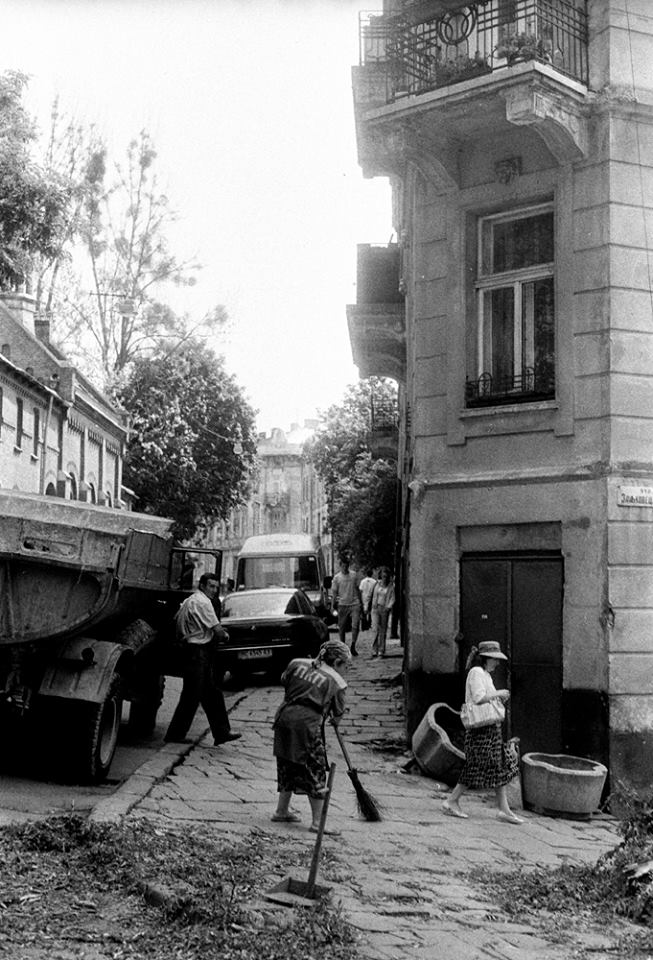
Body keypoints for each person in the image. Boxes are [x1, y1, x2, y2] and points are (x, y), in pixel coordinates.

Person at [271, 639, 351, 832]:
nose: (346, 670)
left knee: (286, 764)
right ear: (337, 662)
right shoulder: (337, 682)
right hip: (306, 725)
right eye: (346, 666)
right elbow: (338, 715)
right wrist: (332, 717)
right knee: (314, 769)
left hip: (284, 718)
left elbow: (284, 681)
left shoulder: (296, 663)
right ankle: (317, 823)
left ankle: (281, 811)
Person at [442, 640, 522, 824]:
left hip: (491, 729)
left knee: (498, 766)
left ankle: (504, 810)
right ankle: (451, 801)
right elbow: (479, 698)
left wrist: (498, 698)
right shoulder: (476, 672)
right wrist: (499, 693)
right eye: (495, 659)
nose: (497, 662)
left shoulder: (485, 674)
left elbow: (488, 698)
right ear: (486, 658)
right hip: (480, 731)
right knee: (476, 766)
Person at [165, 573, 241, 746]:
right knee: (192, 695)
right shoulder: (204, 603)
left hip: (191, 650)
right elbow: (218, 631)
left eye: (216, 587)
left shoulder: (190, 600)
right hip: (197, 652)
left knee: (210, 692)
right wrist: (226, 636)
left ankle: (221, 732)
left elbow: (176, 621)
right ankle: (176, 734)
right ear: (202, 586)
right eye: (211, 586)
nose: (214, 590)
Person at [331, 555, 363, 655]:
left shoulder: (354, 575)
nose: (345, 568)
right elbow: (334, 593)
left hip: (354, 603)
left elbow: (358, 589)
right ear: (340, 566)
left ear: (348, 566)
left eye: (346, 566)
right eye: (343, 566)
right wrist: (333, 605)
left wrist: (361, 602)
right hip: (342, 604)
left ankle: (353, 645)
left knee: (355, 625)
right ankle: (343, 646)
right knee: (342, 626)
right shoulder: (337, 578)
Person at [370, 567, 395, 658]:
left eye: (386, 576)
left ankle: (381, 650)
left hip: (384, 609)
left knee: (383, 630)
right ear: (380, 575)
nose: (384, 577)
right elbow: (371, 595)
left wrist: (388, 607)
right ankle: (374, 649)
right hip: (375, 608)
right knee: (375, 629)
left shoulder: (391, 587)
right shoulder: (376, 584)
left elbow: (392, 598)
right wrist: (368, 605)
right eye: (383, 575)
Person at [359, 568, 377, 632]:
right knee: (370, 612)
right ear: (372, 574)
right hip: (371, 598)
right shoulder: (374, 582)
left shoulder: (363, 581)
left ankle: (364, 626)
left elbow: (360, 590)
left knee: (364, 612)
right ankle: (369, 624)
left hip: (363, 597)